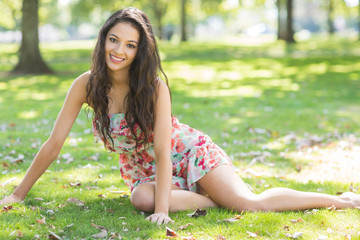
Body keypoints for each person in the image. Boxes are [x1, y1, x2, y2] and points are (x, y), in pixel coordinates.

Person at [1, 7, 359, 225]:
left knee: (250, 204)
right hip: (145, 174)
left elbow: (162, 150)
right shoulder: (86, 85)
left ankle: (340, 200)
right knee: (140, 199)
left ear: (140, 51)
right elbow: (54, 143)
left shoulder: (154, 87)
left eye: (130, 45)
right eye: (113, 40)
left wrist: (164, 212)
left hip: (188, 154)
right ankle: (217, 199)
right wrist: (18, 194)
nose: (119, 50)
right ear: (102, 41)